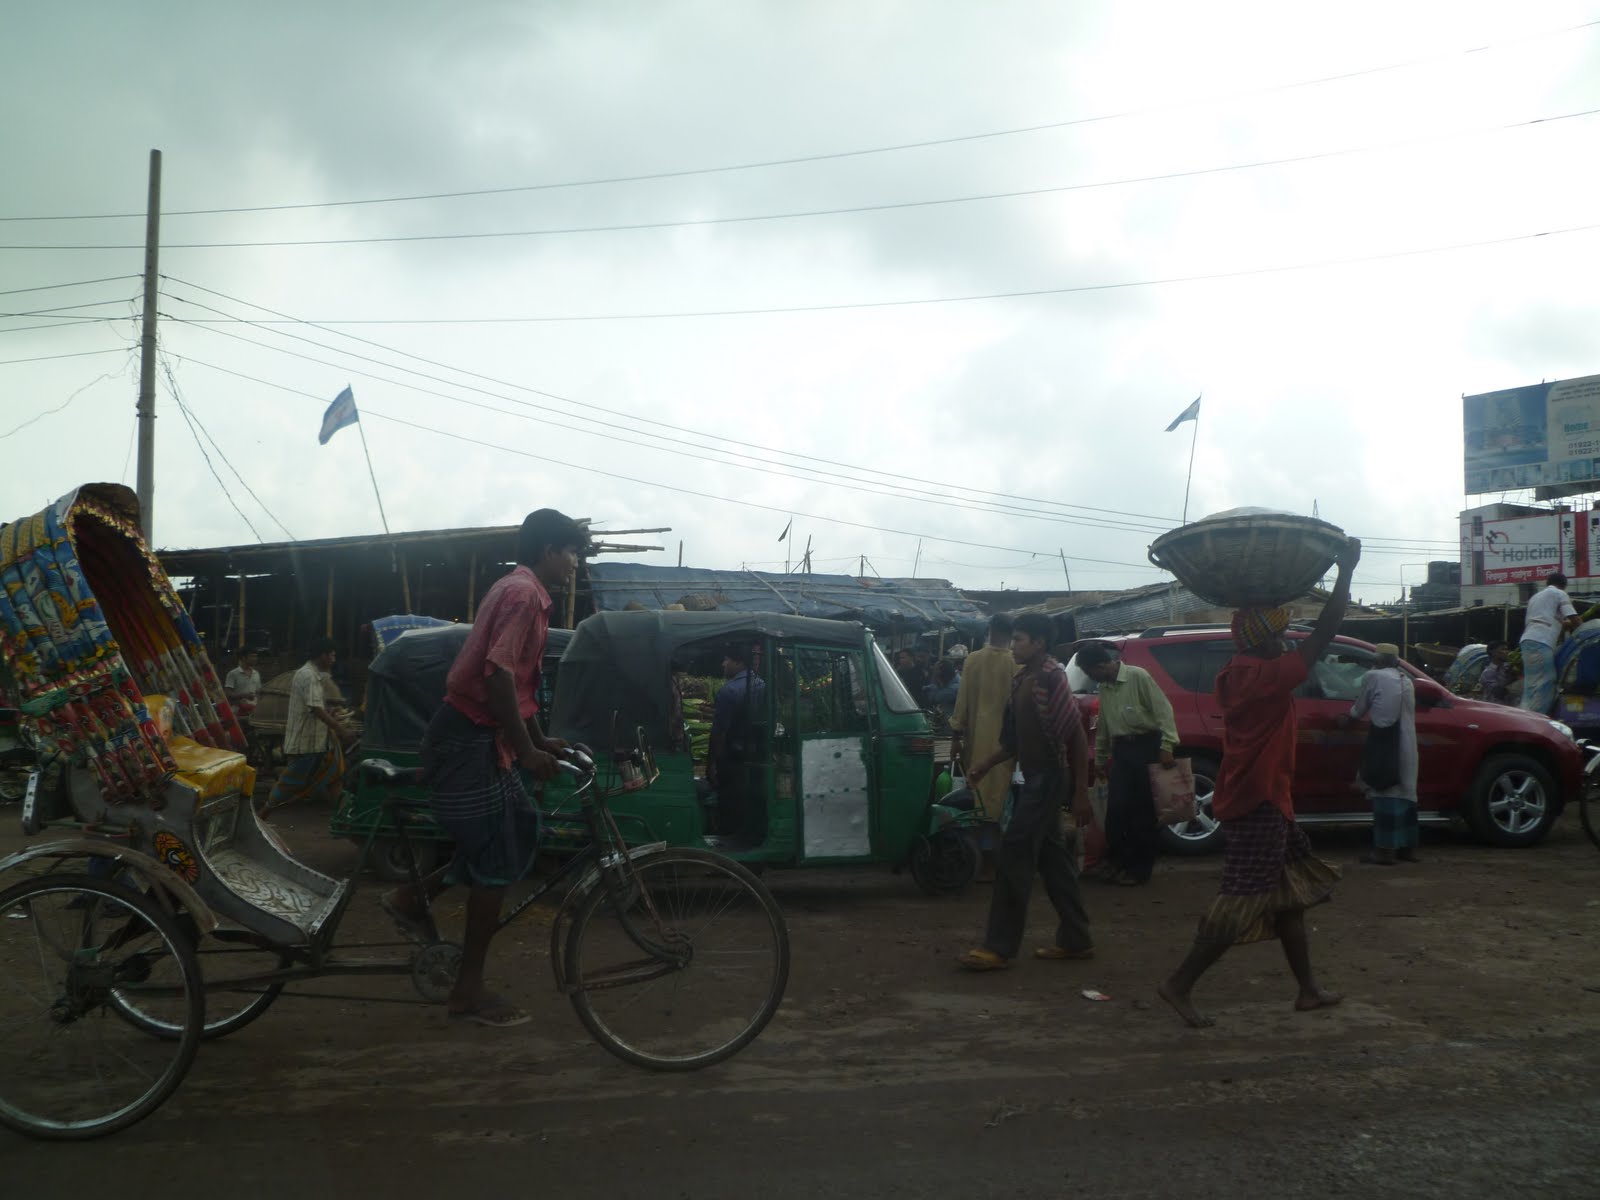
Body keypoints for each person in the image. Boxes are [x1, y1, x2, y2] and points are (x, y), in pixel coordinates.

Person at [382, 508, 585, 1028]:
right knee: (496, 858)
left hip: (478, 736)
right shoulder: (523, 595)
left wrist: (539, 739)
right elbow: (496, 674)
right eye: (570, 551)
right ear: (548, 550)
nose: (574, 562)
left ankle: (413, 897)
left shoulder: (524, 591)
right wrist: (527, 750)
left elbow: (517, 683)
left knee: (518, 826)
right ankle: (467, 991)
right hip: (467, 738)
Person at [1157, 537, 1361, 1029]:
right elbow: (1325, 633)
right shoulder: (1260, 674)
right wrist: (1345, 571)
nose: (1289, 642)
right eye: (1282, 635)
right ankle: (1179, 983)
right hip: (1258, 802)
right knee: (1243, 896)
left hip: (1268, 798)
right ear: (1263, 640)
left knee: (1288, 894)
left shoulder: (1243, 668)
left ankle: (1307, 990)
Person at [957, 612, 1093, 971]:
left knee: (1014, 854)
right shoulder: (1021, 680)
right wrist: (985, 764)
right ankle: (1077, 939)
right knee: (1054, 861)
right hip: (1034, 777)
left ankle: (998, 947)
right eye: (1014, 638)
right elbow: (1015, 740)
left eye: (1019, 639)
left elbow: (1077, 737)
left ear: (1039, 643)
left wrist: (1081, 792)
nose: (1013, 645)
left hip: (1049, 778)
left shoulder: (1051, 676)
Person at [1077, 642, 1179, 886]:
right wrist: (1101, 758)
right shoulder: (1105, 687)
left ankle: (1139, 870)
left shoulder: (1137, 676)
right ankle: (1118, 862)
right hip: (1122, 750)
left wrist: (1167, 745)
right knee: (1116, 811)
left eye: (1091, 672)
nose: (1091, 678)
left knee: (1142, 813)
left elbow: (1164, 710)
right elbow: (1104, 726)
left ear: (1102, 665)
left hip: (1146, 746)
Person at [950, 614, 1021, 877]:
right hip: (1007, 746)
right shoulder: (1017, 663)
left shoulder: (973, 660)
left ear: (989, 630)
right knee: (1001, 800)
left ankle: (980, 859)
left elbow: (961, 703)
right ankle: (996, 861)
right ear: (1012, 633)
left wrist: (956, 736)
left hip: (977, 741)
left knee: (976, 796)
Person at [1343, 643, 1419, 866]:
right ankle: (1407, 848)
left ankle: (1385, 852)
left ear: (1378, 660)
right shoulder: (1407, 680)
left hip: (1385, 742)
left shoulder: (1373, 676)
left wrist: (1346, 718)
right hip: (1408, 745)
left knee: (1385, 792)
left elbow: (1359, 709)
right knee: (1406, 793)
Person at [259, 637, 351, 817]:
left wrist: (331, 713)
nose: (333, 660)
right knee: (291, 781)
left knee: (335, 775)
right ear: (323, 655)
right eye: (332, 655)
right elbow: (315, 709)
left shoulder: (315, 675)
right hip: (307, 743)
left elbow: (315, 707)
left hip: (319, 741)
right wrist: (340, 729)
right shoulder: (308, 675)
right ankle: (264, 812)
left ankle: (342, 816)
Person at [709, 644, 766, 842]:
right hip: (757, 755)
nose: (723, 664)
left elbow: (719, 732)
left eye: (726, 659)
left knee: (729, 803)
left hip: (733, 758)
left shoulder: (729, 691)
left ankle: (728, 842)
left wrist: (712, 763)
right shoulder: (762, 685)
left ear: (739, 662)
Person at [1520, 572, 1579, 715]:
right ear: (1564, 585)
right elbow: (1574, 618)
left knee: (1532, 684)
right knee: (1545, 682)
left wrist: (1567, 625)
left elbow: (1555, 620)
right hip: (1541, 640)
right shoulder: (1559, 593)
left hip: (1529, 639)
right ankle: (1537, 719)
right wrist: (1583, 630)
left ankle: (1523, 715)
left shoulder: (1536, 597)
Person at [224, 649, 262, 713]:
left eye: (256, 656)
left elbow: (258, 692)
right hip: (237, 710)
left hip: (254, 710)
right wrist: (244, 695)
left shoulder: (256, 674)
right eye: (252, 656)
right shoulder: (233, 673)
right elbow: (228, 694)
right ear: (243, 658)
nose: (255, 659)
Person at [1478, 640, 1515, 705]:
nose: (1507, 652)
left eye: (1507, 649)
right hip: (1494, 708)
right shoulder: (1488, 673)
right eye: (1503, 649)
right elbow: (1499, 693)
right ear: (1492, 652)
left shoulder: (1508, 667)